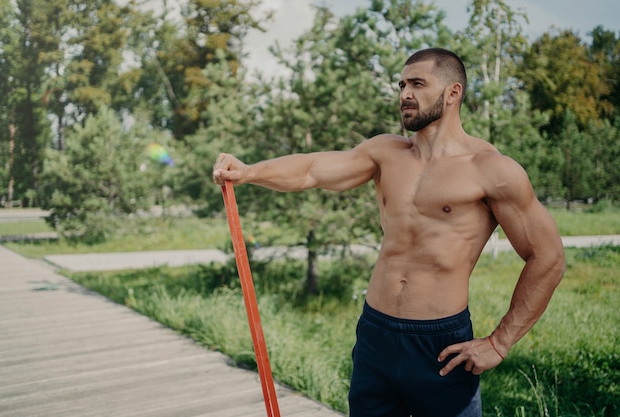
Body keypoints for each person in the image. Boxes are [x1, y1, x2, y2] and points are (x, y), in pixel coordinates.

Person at [212, 48, 565, 417]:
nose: (404, 94)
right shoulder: (386, 153)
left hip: (439, 345)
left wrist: (499, 342)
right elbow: (313, 170)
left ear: (453, 93)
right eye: (401, 85)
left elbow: (548, 257)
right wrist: (250, 171)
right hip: (375, 335)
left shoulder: (491, 169)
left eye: (417, 84)